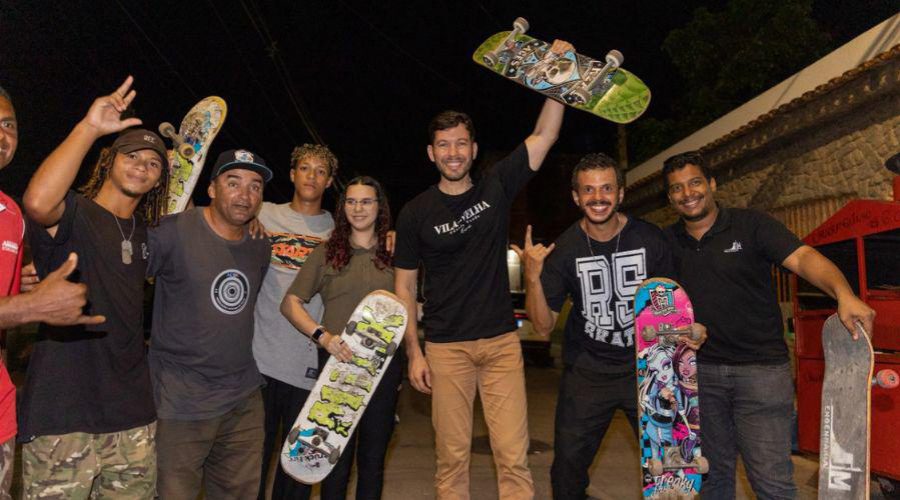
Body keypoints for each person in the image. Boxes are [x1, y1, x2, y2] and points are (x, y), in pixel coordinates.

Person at [392, 39, 571, 499]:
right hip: (446, 348)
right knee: (451, 461)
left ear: (473, 149)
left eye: (460, 144)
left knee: (512, 457)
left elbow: (544, 136)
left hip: (499, 343)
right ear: (431, 153)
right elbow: (404, 288)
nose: (452, 153)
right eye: (443, 145)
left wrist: (557, 80)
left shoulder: (496, 186)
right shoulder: (414, 213)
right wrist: (414, 352)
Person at [661, 150, 875, 499]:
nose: (688, 193)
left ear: (712, 184)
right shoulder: (666, 242)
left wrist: (843, 293)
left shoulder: (751, 225)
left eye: (695, 182)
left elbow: (803, 258)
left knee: (771, 483)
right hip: (699, 376)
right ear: (670, 197)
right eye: (677, 188)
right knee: (712, 479)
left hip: (760, 374)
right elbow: (659, 303)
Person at [511, 153, 705, 499]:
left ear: (620, 193)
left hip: (646, 370)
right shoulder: (564, 248)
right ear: (576, 197)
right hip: (588, 373)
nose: (597, 197)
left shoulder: (651, 239)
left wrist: (689, 336)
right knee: (567, 474)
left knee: (672, 472)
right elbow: (542, 326)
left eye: (606, 188)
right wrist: (533, 277)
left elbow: (675, 308)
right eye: (588, 190)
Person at [20, 76, 167, 498]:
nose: (142, 164)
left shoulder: (147, 233)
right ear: (109, 160)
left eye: (153, 162)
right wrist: (89, 126)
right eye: (131, 154)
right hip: (63, 414)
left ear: (160, 180)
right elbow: (37, 202)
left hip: (132, 415)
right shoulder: (75, 213)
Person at [148, 149, 272, 498]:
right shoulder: (170, 232)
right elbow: (120, 276)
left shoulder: (260, 244)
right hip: (181, 400)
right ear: (213, 188)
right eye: (233, 183)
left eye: (254, 186)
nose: (244, 195)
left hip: (243, 398)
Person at [0, 84, 105, 500]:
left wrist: (25, 290)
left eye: (8, 124)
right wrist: (32, 305)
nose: (2, 135)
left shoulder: (10, 215)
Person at [281, 176, 399, 499]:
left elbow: (414, 304)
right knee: (334, 460)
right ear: (342, 206)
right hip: (336, 365)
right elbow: (290, 303)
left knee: (373, 460)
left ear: (380, 206)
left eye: (366, 201)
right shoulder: (326, 252)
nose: (358, 208)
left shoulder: (396, 251)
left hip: (383, 371)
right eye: (351, 201)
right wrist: (323, 337)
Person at [253, 144, 337, 499]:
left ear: (329, 181)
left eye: (320, 171)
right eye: (305, 168)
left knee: (296, 467)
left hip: (307, 364)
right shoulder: (263, 213)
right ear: (292, 174)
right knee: (252, 461)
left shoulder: (337, 229)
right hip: (258, 360)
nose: (312, 176)